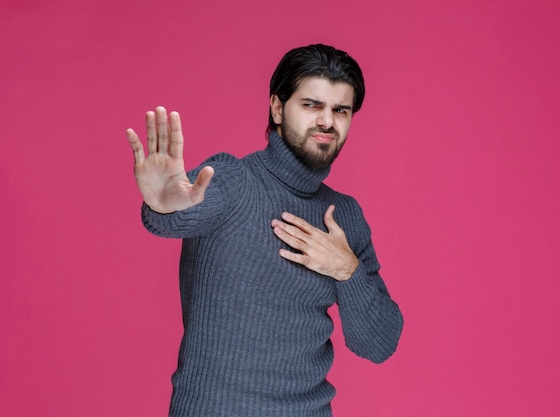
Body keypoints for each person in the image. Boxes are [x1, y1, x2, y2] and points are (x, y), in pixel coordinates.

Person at [126, 44, 403, 417]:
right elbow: (174, 216)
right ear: (277, 108)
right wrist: (163, 203)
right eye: (311, 105)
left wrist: (346, 270)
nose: (327, 121)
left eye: (341, 110)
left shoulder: (345, 217)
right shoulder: (231, 181)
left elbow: (380, 343)